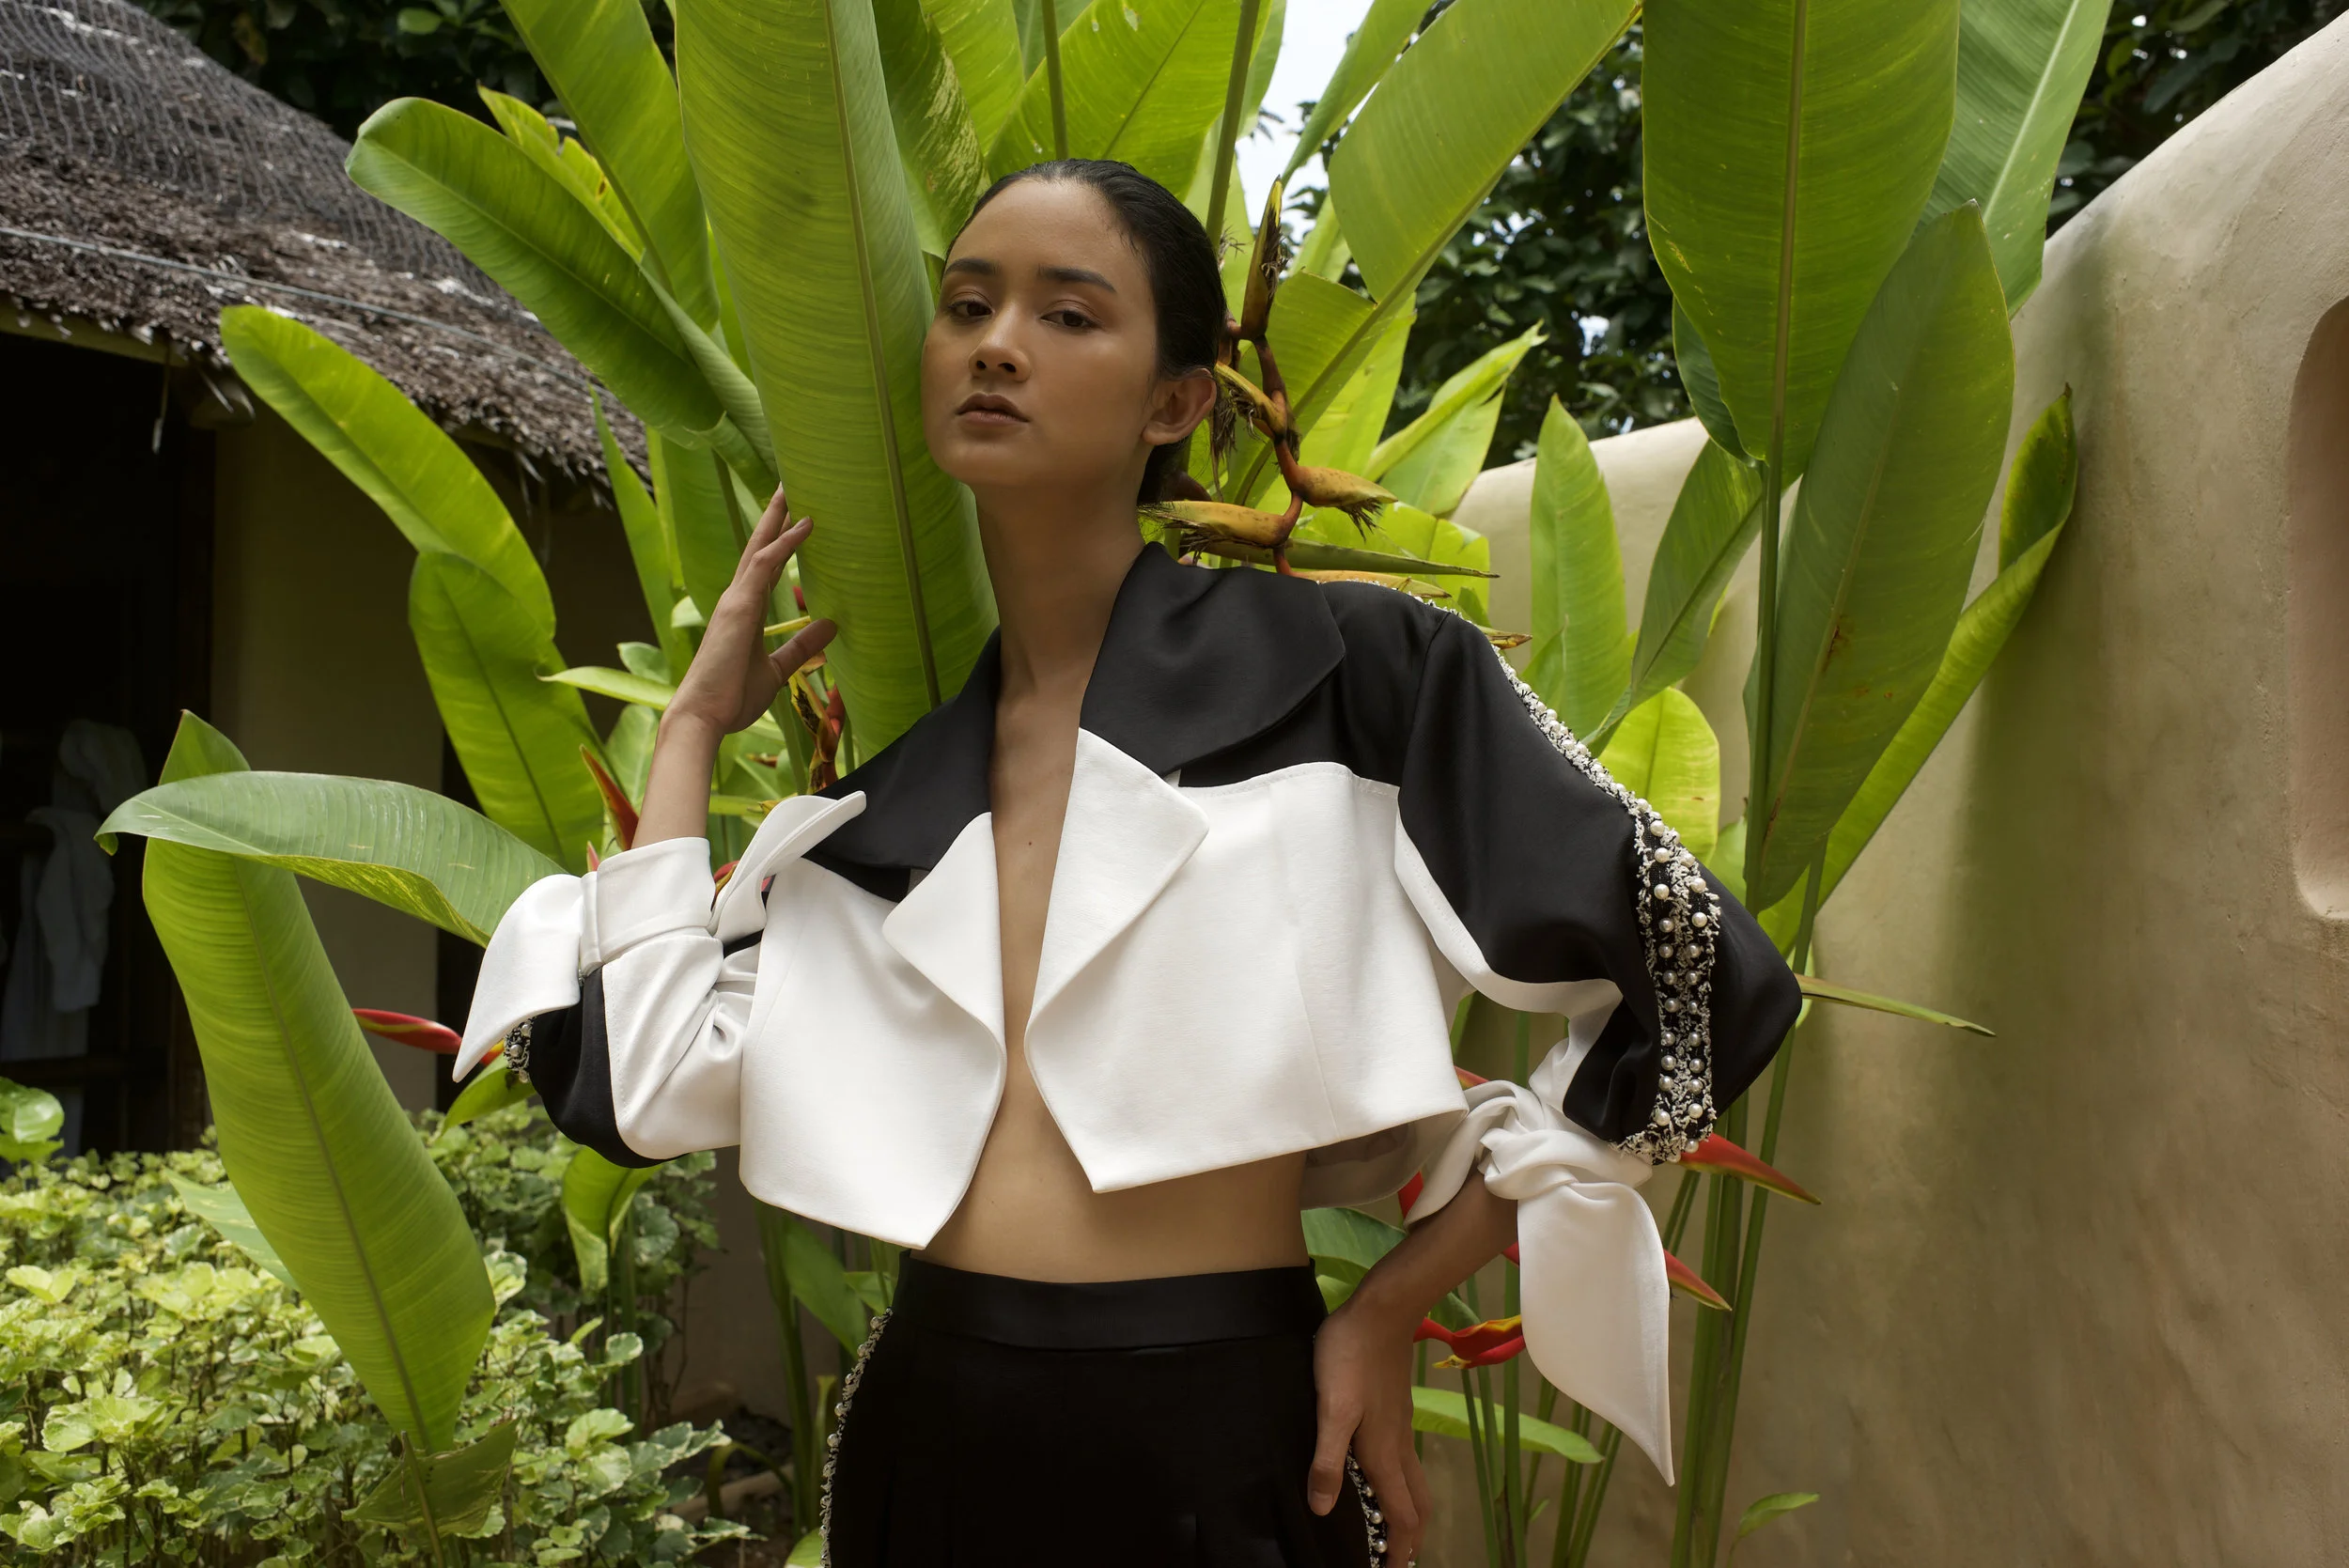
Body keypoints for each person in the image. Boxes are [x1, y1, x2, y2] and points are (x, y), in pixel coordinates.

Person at [455, 158, 1801, 1567]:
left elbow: (1699, 978)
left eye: (1068, 313)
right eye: (968, 305)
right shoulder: (884, 812)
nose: (997, 343)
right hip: (931, 1433)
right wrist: (688, 733)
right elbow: (645, 1086)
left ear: (1176, 403)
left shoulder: (1355, 676)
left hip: (1232, 1428)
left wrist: (1393, 1303)